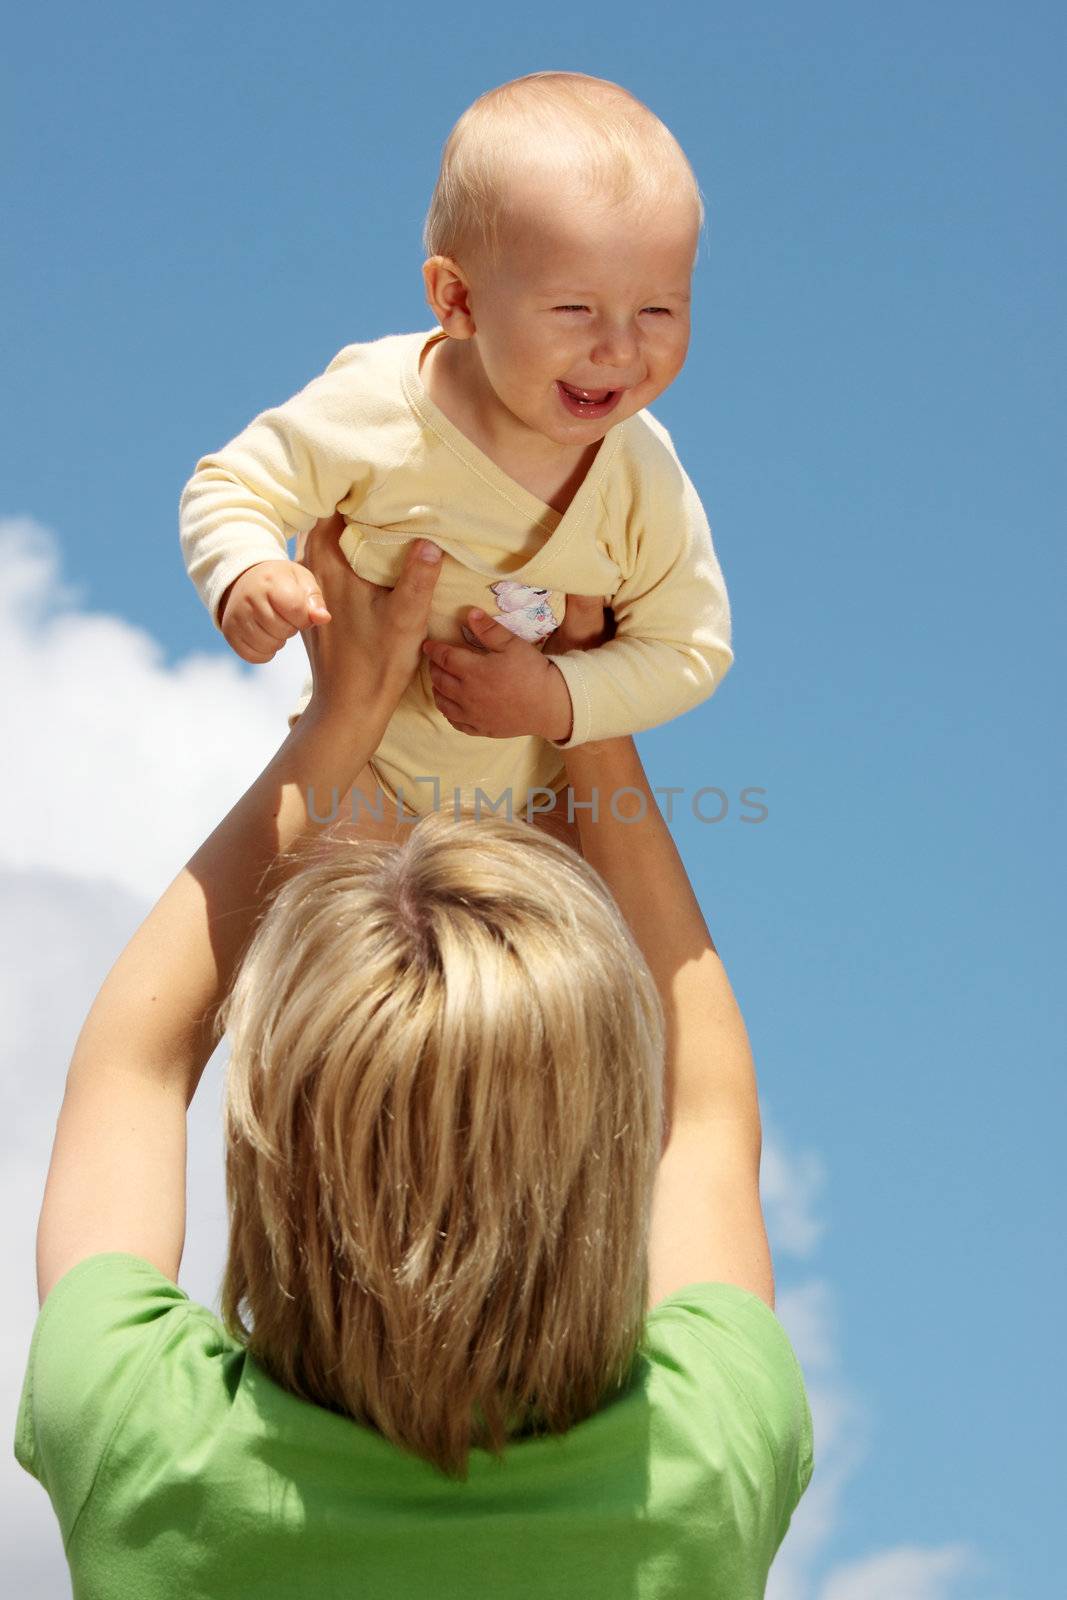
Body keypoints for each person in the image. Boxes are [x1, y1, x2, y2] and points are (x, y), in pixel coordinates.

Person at [15, 521, 812, 1597]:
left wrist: (335, 729)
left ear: (268, 1139)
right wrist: (583, 710)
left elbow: (130, 1068)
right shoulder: (702, 1454)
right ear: (606, 1147)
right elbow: (705, 1114)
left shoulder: (145, 1436)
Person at [178, 71, 733, 832]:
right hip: (360, 772)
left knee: (571, 934)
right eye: (574, 308)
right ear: (458, 301)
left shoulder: (641, 475)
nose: (618, 349)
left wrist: (554, 697)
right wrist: (245, 569)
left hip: (532, 816)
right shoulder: (377, 402)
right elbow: (231, 486)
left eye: (658, 309)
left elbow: (691, 648)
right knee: (344, 930)